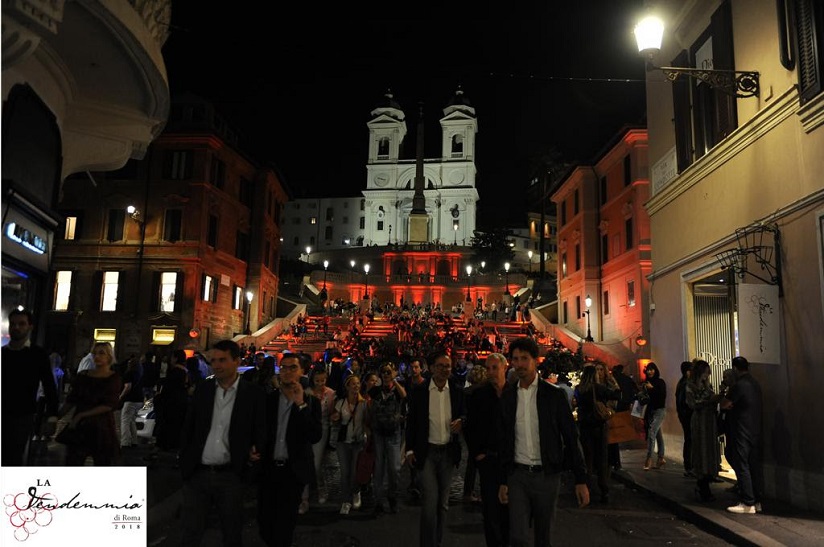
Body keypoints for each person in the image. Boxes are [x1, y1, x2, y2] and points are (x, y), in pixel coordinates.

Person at [498, 337, 589, 547]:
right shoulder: (509, 396)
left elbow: (570, 437)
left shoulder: (553, 396)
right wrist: (503, 479)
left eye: (524, 358)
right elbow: (504, 439)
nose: (519, 364)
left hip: (547, 476)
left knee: (543, 535)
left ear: (535, 360)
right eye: (515, 359)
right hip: (518, 475)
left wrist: (580, 479)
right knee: (518, 537)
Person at [179, 340, 266, 547]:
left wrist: (254, 451)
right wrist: (184, 459)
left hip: (231, 475)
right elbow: (189, 427)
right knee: (191, 531)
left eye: (222, 360)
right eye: (214, 360)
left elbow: (260, 429)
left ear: (236, 361)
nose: (216, 365)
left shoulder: (252, 394)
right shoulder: (204, 389)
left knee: (231, 532)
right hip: (198, 473)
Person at [258, 352, 322, 547]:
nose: (287, 372)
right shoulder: (268, 400)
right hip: (268, 469)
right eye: (283, 367)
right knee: (265, 523)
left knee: (285, 526)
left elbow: (314, 435)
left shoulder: (311, 403)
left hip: (292, 471)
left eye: (292, 367)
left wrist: (300, 404)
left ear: (302, 371)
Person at [405, 350, 466, 547]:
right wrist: (410, 449)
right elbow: (412, 422)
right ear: (431, 368)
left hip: (448, 451)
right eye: (439, 366)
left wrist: (462, 421)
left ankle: (437, 542)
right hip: (428, 451)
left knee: (443, 504)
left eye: (447, 366)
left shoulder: (456, 389)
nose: (444, 370)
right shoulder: (420, 392)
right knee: (430, 503)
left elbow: (465, 413)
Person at [1, 309, 59, 465]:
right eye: (13, 324)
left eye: (21, 324)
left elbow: (49, 385)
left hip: (22, 415)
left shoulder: (37, 354)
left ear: (30, 327)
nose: (16, 328)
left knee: (13, 457)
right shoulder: (3, 354)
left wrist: (52, 416)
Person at [464, 353, 510, 547]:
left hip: (511, 459)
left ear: (504, 368)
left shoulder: (514, 393)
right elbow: (470, 426)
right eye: (488, 368)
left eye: (494, 368)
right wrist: (478, 454)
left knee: (510, 510)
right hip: (488, 459)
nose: (490, 372)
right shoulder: (479, 394)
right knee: (491, 510)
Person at [59, 341, 123, 466]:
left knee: (103, 462)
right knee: (73, 461)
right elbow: (72, 399)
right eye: (94, 353)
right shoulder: (83, 376)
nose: (97, 356)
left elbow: (109, 404)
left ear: (109, 356)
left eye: (101, 353)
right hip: (81, 427)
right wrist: (56, 416)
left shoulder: (113, 378)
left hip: (102, 426)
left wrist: (81, 415)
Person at [722, 356, 764, 514]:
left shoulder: (739, 385)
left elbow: (724, 404)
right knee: (753, 464)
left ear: (735, 368)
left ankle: (747, 501)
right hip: (755, 429)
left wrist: (729, 404)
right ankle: (757, 500)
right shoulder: (755, 383)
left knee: (742, 463)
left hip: (741, 429)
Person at [575, 364, 620, 503]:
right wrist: (613, 382)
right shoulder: (598, 388)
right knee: (601, 458)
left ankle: (586, 487)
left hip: (584, 427)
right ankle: (603, 489)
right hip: (599, 426)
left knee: (587, 458)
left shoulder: (579, 389)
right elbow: (616, 395)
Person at [369, 361, 407, 516]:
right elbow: (369, 406)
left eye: (388, 372)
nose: (386, 374)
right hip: (378, 432)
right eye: (384, 372)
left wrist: (394, 380)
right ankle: (378, 501)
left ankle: (392, 497)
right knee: (378, 469)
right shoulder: (375, 391)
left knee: (394, 468)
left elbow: (404, 395)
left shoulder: (397, 389)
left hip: (393, 432)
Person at [300, 366, 336, 513]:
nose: (320, 383)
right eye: (317, 381)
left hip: (323, 429)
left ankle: (321, 488)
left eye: (323, 380)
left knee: (316, 463)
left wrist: (335, 416)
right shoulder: (306, 393)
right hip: (307, 429)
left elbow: (333, 412)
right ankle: (304, 498)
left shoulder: (331, 393)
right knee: (305, 463)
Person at [332, 374, 369, 515]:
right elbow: (334, 418)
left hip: (358, 442)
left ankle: (356, 492)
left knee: (354, 472)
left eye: (358, 383)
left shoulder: (364, 403)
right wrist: (335, 417)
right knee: (344, 473)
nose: (356, 386)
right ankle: (345, 501)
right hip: (343, 442)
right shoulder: (341, 403)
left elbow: (367, 421)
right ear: (347, 386)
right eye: (353, 384)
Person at [686, 359, 722, 502]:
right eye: (705, 373)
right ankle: (702, 484)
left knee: (709, 449)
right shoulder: (690, 385)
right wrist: (709, 400)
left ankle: (707, 478)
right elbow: (692, 403)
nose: (707, 376)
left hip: (709, 421)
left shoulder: (708, 385)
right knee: (701, 450)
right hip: (700, 421)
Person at [642, 362, 667, 471]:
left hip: (659, 411)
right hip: (650, 411)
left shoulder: (660, 382)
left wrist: (652, 388)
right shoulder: (646, 383)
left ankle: (649, 459)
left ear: (655, 370)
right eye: (648, 369)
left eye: (652, 369)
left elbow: (662, 396)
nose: (649, 371)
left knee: (652, 432)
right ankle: (661, 458)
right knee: (658, 435)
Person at [119, 354, 144, 449]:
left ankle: (125, 442)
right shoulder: (140, 374)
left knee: (125, 420)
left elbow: (128, 387)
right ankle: (134, 440)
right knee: (132, 420)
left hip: (130, 399)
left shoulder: (129, 374)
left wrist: (121, 396)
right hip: (139, 400)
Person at [676, 360, 694, 478]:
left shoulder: (681, 382)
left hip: (684, 415)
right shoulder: (686, 384)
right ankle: (689, 467)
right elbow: (686, 402)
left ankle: (689, 466)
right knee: (690, 440)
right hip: (687, 415)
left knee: (689, 440)